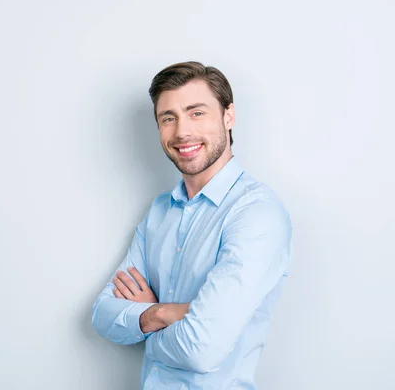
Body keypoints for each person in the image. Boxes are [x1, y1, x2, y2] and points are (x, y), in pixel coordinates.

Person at [91, 61, 293, 389]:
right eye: (168, 118)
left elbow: (201, 350)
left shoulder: (257, 214)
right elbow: (102, 314)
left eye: (196, 112)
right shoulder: (159, 212)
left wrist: (145, 323)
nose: (182, 131)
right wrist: (162, 314)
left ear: (229, 116)